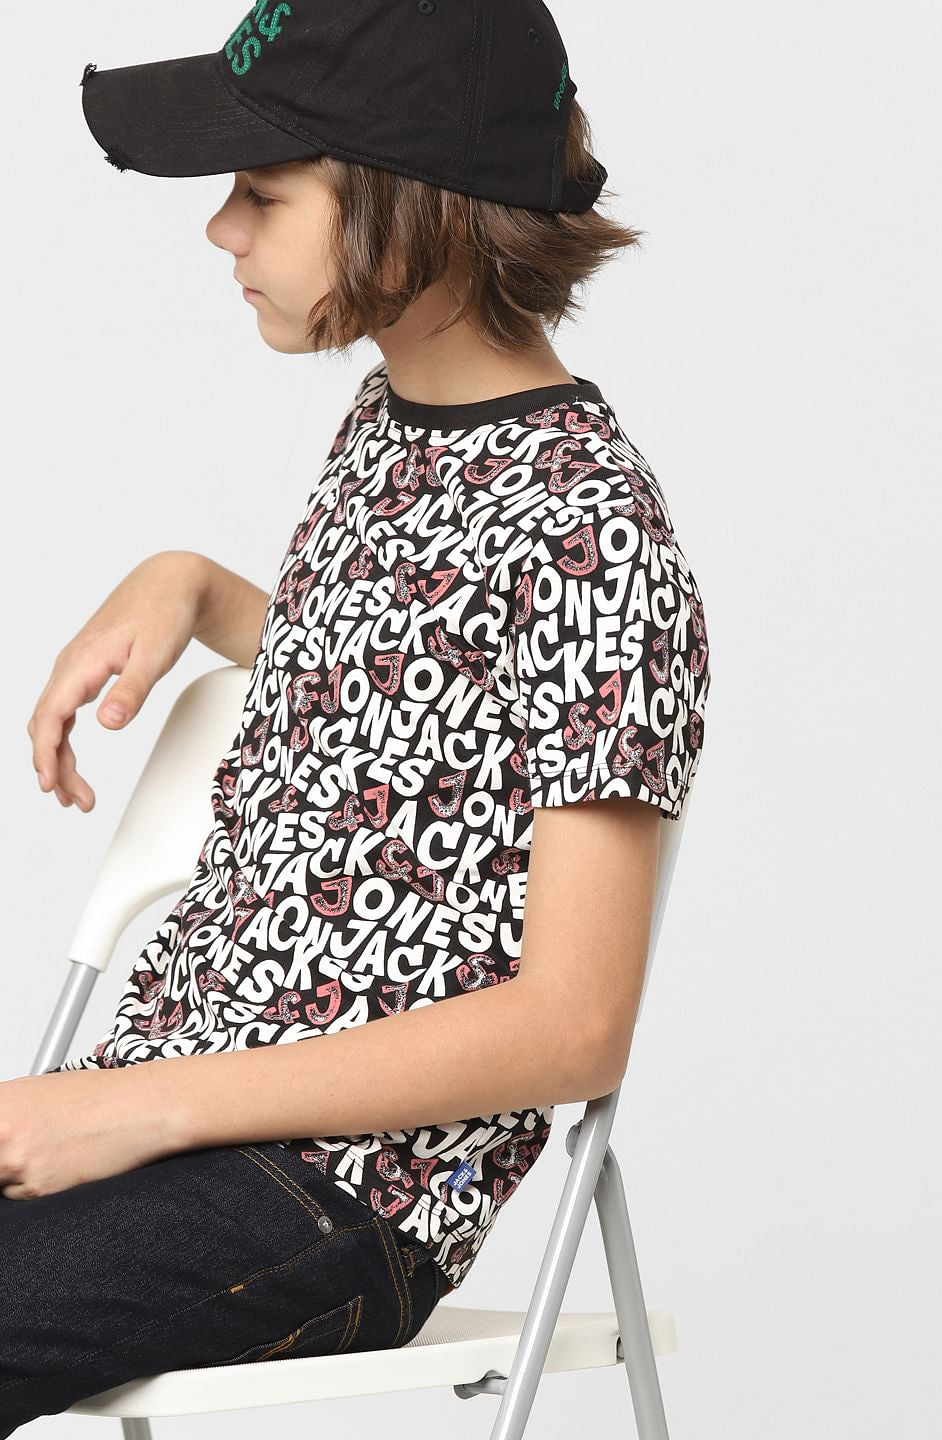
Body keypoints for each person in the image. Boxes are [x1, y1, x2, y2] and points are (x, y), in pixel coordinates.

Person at [4, 0, 712, 1428]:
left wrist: (135, 1107)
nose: (221, 230)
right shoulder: (394, 430)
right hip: (159, 1114)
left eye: (264, 194)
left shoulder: (595, 534)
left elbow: (575, 1023)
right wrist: (198, 585)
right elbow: (416, 694)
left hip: (331, 1186)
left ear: (415, 205)